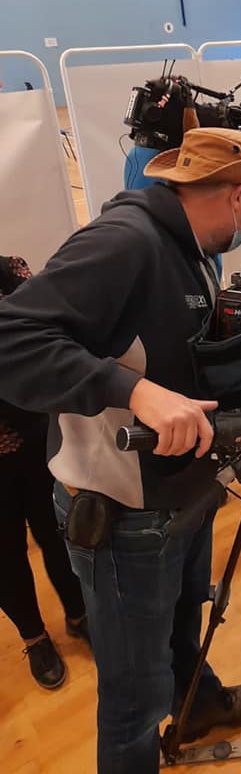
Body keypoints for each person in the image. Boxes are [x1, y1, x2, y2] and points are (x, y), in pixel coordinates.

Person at [0, 129, 241, 773]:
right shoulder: (124, 242)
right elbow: (10, 339)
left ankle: (198, 704)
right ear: (238, 195)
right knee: (133, 700)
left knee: (186, 622)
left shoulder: (184, 247)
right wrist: (131, 391)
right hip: (123, 510)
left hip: (180, 491)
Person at [0, 256, 91, 690]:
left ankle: (79, 613)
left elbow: (41, 328)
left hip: (33, 434)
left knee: (56, 531)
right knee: (5, 553)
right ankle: (34, 638)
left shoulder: (9, 270)